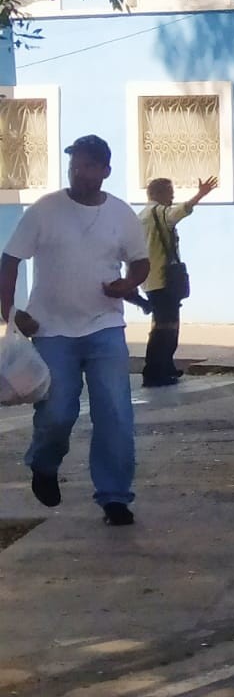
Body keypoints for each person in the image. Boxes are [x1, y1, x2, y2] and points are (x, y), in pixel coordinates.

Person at [0, 134, 149, 526]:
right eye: (74, 165)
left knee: (115, 413)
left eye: (86, 165)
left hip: (105, 327)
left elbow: (140, 262)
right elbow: (11, 259)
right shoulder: (45, 210)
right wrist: (12, 312)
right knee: (58, 412)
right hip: (51, 330)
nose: (78, 172)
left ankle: (115, 497)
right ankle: (44, 464)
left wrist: (128, 285)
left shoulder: (120, 214)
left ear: (105, 171)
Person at [139, 175, 218, 387]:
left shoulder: (143, 215)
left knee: (163, 326)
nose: (172, 196)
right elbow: (177, 214)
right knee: (166, 328)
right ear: (158, 194)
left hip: (151, 278)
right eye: (169, 192)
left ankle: (164, 367)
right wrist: (200, 195)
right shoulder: (159, 212)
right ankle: (156, 371)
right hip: (163, 278)